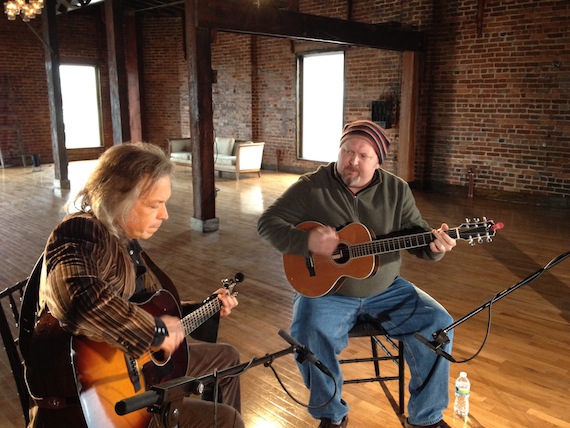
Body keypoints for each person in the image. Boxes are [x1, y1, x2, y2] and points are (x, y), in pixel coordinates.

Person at [24, 143, 244, 428]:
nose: (164, 215)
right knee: (228, 421)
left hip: (142, 367)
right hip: (96, 393)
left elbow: (146, 308)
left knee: (227, 358)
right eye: (154, 205)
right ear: (117, 198)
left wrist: (207, 308)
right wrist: (156, 332)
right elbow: (81, 301)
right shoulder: (79, 232)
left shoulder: (125, 241)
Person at [257, 120, 457, 428]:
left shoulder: (396, 190)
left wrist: (437, 247)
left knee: (439, 323)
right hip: (327, 292)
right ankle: (331, 414)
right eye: (347, 151)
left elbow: (419, 239)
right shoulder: (313, 186)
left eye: (363, 156)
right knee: (307, 329)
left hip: (387, 288)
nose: (352, 161)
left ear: (378, 162)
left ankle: (426, 419)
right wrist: (308, 242)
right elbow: (267, 223)